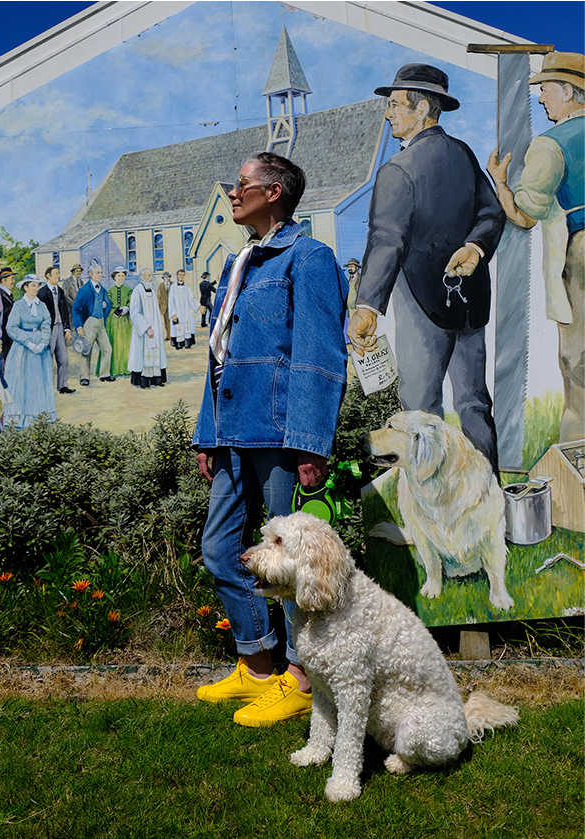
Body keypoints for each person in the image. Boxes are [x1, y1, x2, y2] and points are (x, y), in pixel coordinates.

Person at [193, 151, 348, 726]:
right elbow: (220, 357)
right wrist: (209, 433)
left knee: (295, 565)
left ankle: (302, 680)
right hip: (234, 432)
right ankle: (258, 667)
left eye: (242, 185)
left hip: (282, 434)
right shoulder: (244, 260)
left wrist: (311, 441)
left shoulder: (308, 260)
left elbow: (320, 353)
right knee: (219, 548)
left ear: (275, 192)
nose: (233, 194)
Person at [348, 64, 505, 475]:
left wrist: (367, 307)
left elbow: (386, 242)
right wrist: (475, 246)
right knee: (473, 402)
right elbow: (492, 214)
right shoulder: (464, 154)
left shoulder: (397, 170)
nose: (388, 114)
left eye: (395, 105)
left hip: (421, 305)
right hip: (469, 301)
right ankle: (486, 495)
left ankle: (426, 510)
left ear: (422, 109)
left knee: (419, 410)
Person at [487, 52, 585, 443]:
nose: (542, 98)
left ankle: (577, 450)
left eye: (545, 89)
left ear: (568, 91)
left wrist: (500, 182)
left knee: (577, 362)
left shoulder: (549, 145)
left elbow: (525, 215)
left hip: (580, 251)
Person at [3, 274, 57, 428]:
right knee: (22, 381)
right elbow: (11, 328)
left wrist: (42, 342)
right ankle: (20, 417)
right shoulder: (19, 305)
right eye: (32, 285)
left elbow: (47, 323)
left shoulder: (42, 305)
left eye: (37, 286)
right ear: (25, 287)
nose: (35, 289)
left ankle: (40, 414)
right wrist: (28, 342)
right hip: (22, 348)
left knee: (39, 381)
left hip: (40, 348)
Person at [72, 259, 115, 387]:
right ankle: (84, 377)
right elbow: (76, 309)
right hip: (89, 322)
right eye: (97, 272)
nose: (100, 275)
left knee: (107, 348)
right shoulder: (84, 290)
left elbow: (108, 304)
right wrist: (79, 326)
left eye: (101, 272)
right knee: (86, 350)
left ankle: (104, 374)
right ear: (90, 274)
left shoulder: (102, 289)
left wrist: (104, 310)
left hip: (101, 323)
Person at [128, 267, 168, 388]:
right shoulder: (137, 291)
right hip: (144, 329)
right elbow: (134, 312)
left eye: (151, 275)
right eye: (148, 276)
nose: (151, 278)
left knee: (156, 353)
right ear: (142, 277)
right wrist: (146, 328)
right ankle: (144, 381)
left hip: (154, 328)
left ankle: (156, 379)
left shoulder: (152, 289)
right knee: (144, 354)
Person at [38, 266, 75, 394]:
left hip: (60, 328)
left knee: (64, 358)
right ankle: (45, 387)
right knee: (47, 358)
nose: (58, 276)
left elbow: (64, 311)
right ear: (48, 275)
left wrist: (67, 328)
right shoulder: (41, 292)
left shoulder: (59, 291)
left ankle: (62, 385)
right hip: (48, 329)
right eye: (55, 274)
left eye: (58, 273)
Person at [100, 264, 132, 376]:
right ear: (114, 277)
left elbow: (132, 302)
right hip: (112, 320)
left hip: (125, 321)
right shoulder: (109, 291)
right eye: (118, 276)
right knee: (113, 342)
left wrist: (127, 307)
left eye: (123, 275)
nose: (121, 278)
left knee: (125, 343)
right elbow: (106, 304)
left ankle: (126, 368)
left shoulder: (129, 290)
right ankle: (113, 369)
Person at [169, 270, 199, 349]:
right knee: (178, 327)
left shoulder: (186, 287)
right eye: (180, 275)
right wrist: (173, 313)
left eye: (183, 275)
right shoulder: (173, 287)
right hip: (177, 311)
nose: (182, 276)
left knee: (187, 326)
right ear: (177, 276)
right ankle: (179, 344)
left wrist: (198, 306)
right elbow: (171, 301)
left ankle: (187, 343)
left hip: (185, 311)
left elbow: (191, 298)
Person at [0, 267, 15, 360]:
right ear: (3, 280)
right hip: (3, 335)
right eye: (11, 279)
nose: (14, 281)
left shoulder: (8, 294)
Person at [61, 263, 84, 329]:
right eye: (77, 271)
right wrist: (74, 304)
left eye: (80, 271)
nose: (79, 273)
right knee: (73, 326)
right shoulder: (67, 282)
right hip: (71, 309)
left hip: (80, 309)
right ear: (73, 272)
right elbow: (66, 295)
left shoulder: (81, 282)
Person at [157, 271, 172, 341]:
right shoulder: (161, 286)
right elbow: (158, 297)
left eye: (168, 277)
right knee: (166, 323)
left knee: (173, 322)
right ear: (163, 278)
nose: (166, 278)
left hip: (172, 307)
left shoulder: (173, 285)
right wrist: (159, 307)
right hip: (164, 307)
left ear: (169, 278)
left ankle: (173, 336)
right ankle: (168, 336)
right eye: (165, 277)